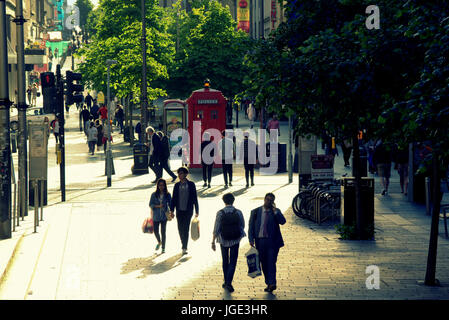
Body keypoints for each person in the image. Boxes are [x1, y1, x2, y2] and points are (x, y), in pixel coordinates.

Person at [248, 193, 286, 293]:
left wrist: (275, 211)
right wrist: (251, 240)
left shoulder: (276, 212)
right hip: (260, 242)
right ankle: (269, 283)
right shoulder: (255, 212)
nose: (268, 202)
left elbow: (283, 221)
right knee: (264, 263)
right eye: (267, 199)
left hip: (272, 242)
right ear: (264, 199)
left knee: (271, 263)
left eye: (271, 200)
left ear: (273, 202)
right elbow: (250, 227)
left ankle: (272, 283)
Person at [212, 193, 245, 293]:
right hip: (235, 239)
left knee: (225, 260)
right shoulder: (238, 212)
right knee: (233, 261)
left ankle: (226, 281)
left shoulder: (220, 213)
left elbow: (216, 228)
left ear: (224, 201)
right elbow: (242, 225)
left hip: (223, 239)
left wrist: (212, 241)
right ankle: (228, 282)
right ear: (233, 201)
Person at [169, 167, 199, 255]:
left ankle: (184, 247)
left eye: (181, 173)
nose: (179, 175)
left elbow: (195, 198)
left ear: (186, 174)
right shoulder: (176, 185)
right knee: (180, 228)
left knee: (185, 228)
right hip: (179, 210)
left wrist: (197, 210)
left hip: (188, 210)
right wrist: (172, 210)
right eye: (179, 173)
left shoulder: (191, 184)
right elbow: (173, 199)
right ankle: (183, 242)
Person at [149, 178, 172, 254]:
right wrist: (158, 206)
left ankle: (163, 248)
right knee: (155, 231)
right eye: (160, 185)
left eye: (163, 185)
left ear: (165, 186)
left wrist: (172, 211)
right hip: (156, 216)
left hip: (164, 216)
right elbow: (150, 204)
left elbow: (171, 203)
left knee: (163, 232)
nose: (161, 187)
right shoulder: (154, 195)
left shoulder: (167, 194)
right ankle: (159, 241)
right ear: (157, 186)